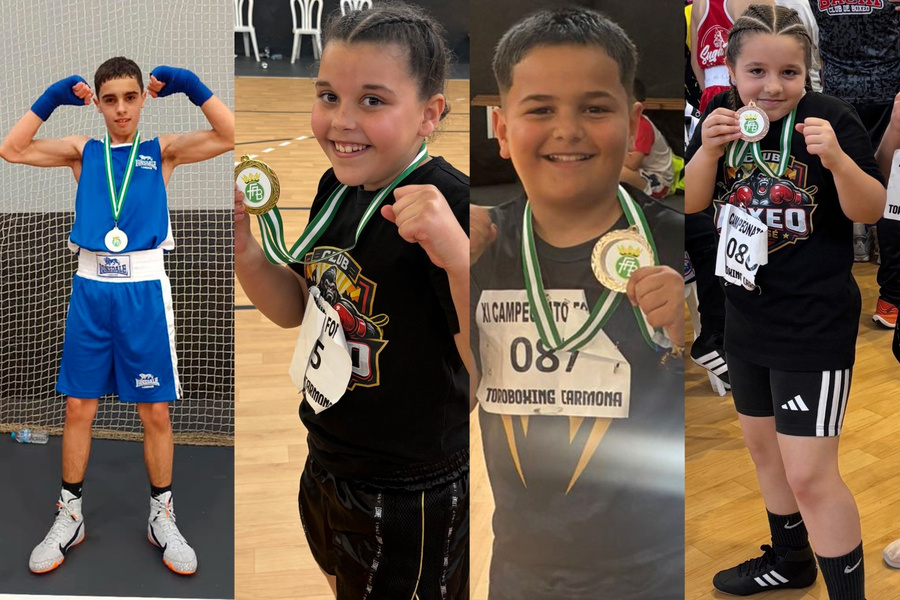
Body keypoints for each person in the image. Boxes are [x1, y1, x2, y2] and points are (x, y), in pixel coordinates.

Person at [233, 3, 469, 598]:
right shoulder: (335, 186)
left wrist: (460, 258)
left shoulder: (449, 204)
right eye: (328, 96)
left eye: (372, 100)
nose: (341, 120)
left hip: (412, 482)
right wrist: (245, 254)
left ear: (429, 114)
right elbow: (298, 309)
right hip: (329, 454)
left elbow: (487, 369)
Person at [470, 8, 685, 599]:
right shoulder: (481, 247)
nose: (568, 129)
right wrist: (449, 279)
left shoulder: (675, 242)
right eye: (540, 109)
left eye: (595, 107)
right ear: (501, 127)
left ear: (634, 122)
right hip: (520, 567)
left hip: (652, 569)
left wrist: (691, 332)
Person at [0, 57, 234, 575]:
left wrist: (192, 86)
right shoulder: (84, 152)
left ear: (143, 99)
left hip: (144, 293)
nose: (122, 108)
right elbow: (10, 149)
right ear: (99, 104)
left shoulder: (162, 151)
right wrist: (53, 96)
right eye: (111, 99)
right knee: (78, 408)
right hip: (90, 291)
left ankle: (161, 515)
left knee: (155, 412)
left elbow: (230, 133)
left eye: (130, 97)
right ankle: (71, 515)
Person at [685, 5, 884, 598]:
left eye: (789, 73)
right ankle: (790, 559)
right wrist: (707, 154)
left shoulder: (830, 117)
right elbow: (695, 203)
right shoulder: (720, 118)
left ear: (808, 72)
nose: (772, 87)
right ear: (731, 70)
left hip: (812, 323)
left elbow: (870, 209)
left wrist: (839, 159)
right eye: (757, 71)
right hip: (747, 313)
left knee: (811, 474)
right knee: (764, 451)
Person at [810, 0, 900, 324]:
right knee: (882, 191)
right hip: (859, 96)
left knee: (880, 193)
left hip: (857, 96)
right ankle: (889, 297)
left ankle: (888, 296)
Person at [621, 80, 676, 199]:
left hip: (658, 180)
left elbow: (632, 164)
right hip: (640, 172)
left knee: (616, 172)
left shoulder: (642, 125)